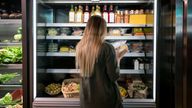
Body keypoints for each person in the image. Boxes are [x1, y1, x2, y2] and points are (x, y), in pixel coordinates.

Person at [76, 16, 124, 108]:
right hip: (106, 100)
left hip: (86, 100)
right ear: (102, 29)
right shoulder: (107, 48)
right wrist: (118, 59)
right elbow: (114, 76)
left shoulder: (80, 46)